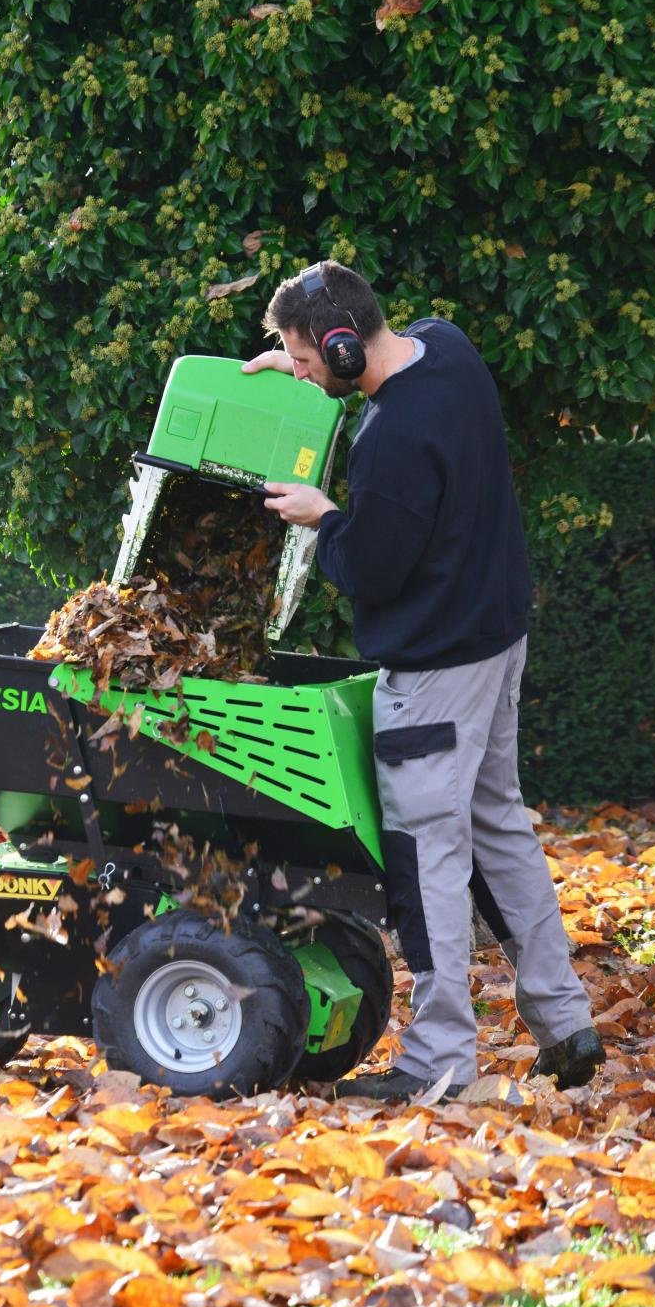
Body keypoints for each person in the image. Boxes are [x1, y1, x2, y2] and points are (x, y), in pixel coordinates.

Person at [243, 259, 604, 1102]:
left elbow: (372, 566)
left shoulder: (390, 445)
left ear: (338, 348)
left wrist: (324, 515)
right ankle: (565, 1019)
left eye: (301, 358)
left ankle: (439, 1057)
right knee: (499, 826)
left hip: (436, 671)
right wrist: (283, 372)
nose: (300, 369)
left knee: (425, 856)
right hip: (495, 642)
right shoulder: (448, 349)